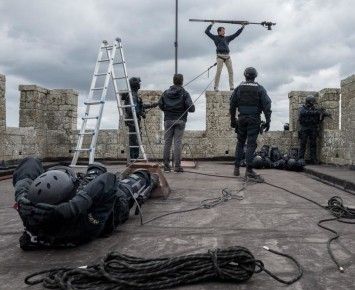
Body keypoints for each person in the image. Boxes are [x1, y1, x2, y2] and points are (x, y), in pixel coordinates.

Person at [13, 157, 157, 250]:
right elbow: (109, 180)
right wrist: (72, 207)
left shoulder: (31, 215)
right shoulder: (81, 225)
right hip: (114, 203)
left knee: (95, 171)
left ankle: (94, 172)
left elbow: (30, 162)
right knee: (138, 177)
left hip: (87, 196)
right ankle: (148, 176)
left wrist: (21, 197)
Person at [230, 67, 272, 181]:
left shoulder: (239, 88)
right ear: (255, 76)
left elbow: (232, 104)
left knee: (240, 142)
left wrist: (233, 120)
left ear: (245, 75)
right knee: (251, 144)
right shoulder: (260, 88)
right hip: (254, 119)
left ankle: (236, 168)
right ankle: (248, 170)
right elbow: (267, 105)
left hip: (242, 119)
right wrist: (268, 121)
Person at [158, 74, 195, 173]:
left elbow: (160, 104)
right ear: (182, 81)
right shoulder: (185, 93)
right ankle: (177, 167)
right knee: (177, 143)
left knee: (167, 143)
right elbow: (192, 108)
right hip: (180, 120)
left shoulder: (165, 93)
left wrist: (167, 111)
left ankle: (166, 167)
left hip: (168, 120)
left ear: (173, 81)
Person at [121, 77, 158, 160]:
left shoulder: (133, 94)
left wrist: (152, 105)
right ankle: (134, 158)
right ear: (136, 85)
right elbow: (133, 109)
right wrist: (141, 113)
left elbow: (140, 106)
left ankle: (134, 158)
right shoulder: (133, 95)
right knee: (135, 140)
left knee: (135, 139)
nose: (140, 85)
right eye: (139, 83)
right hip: (133, 121)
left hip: (132, 121)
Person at [205, 22, 245, 91]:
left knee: (231, 72)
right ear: (219, 31)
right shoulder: (215, 37)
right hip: (220, 56)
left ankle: (232, 87)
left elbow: (236, 34)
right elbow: (207, 32)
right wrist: (211, 24)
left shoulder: (227, 38)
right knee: (218, 72)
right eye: (223, 30)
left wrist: (242, 27)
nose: (224, 32)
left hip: (227, 57)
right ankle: (216, 87)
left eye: (224, 31)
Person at [298, 95, 330, 164]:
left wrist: (323, 114)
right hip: (304, 128)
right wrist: (316, 112)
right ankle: (301, 158)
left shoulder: (314, 109)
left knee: (313, 144)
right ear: (309, 102)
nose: (313, 103)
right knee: (303, 143)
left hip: (313, 128)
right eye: (312, 102)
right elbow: (303, 113)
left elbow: (319, 118)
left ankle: (313, 158)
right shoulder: (302, 108)